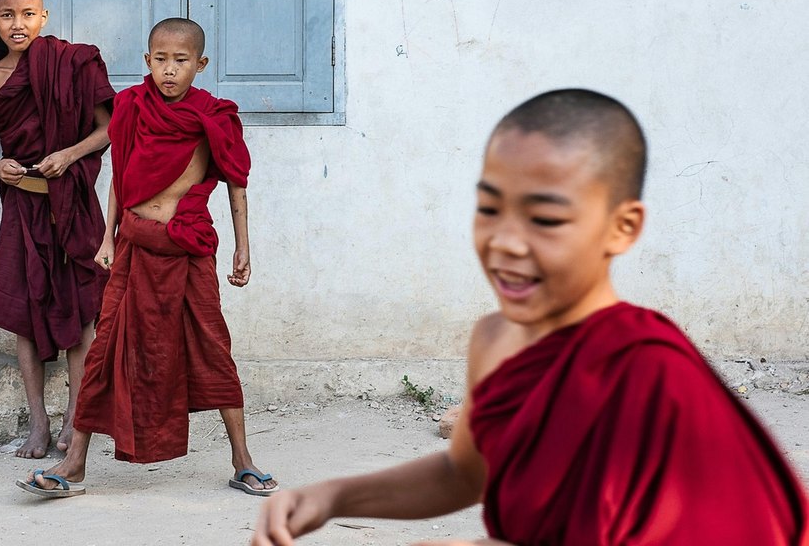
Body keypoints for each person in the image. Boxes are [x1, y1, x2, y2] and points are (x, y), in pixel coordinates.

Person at [253, 89, 809, 546]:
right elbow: (464, 475)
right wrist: (332, 497)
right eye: (489, 208)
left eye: (544, 218)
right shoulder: (493, 339)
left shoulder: (650, 371)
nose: (506, 242)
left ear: (623, 227)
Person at [16, 18, 278, 499]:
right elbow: (120, 172)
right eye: (160, 60)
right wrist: (109, 237)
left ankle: (242, 460)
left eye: (181, 62)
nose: (169, 71)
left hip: (186, 248)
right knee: (105, 350)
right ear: (146, 61)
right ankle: (74, 464)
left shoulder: (214, 115)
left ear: (200, 65)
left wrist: (244, 246)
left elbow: (237, 180)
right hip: (135, 245)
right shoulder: (133, 106)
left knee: (213, 348)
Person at [0, 0, 114, 459]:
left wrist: (69, 155)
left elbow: (107, 129)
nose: (18, 24)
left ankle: (76, 416)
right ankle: (38, 421)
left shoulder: (73, 63)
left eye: (28, 14)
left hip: (71, 200)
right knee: (25, 316)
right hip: (23, 206)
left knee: (80, 311)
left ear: (43, 17)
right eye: (7, 16)